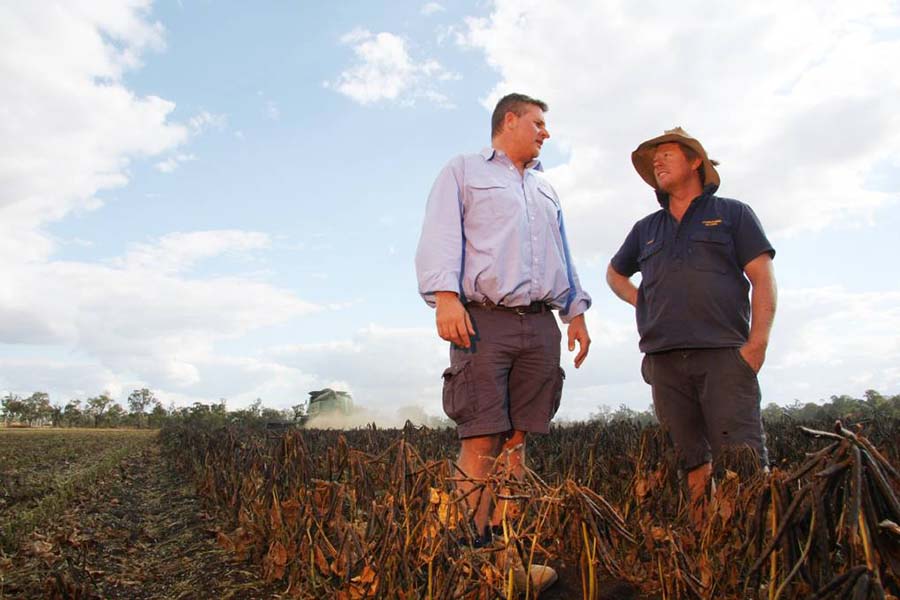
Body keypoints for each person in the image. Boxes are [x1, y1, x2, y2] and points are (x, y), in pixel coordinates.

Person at [415, 93, 591, 592]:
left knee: (517, 444)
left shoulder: (545, 188)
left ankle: (507, 554)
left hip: (540, 325)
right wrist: (446, 297)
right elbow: (441, 234)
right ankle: (471, 559)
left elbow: (563, 253)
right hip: (484, 320)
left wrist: (575, 312)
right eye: (538, 123)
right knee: (482, 437)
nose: (545, 133)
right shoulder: (464, 171)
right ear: (508, 121)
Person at [606, 127, 777, 524]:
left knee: (742, 460)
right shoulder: (646, 229)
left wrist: (757, 346)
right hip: (663, 359)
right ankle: (705, 540)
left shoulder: (733, 214)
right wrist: (642, 301)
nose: (657, 162)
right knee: (689, 459)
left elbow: (763, 279)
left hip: (723, 354)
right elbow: (615, 274)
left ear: (695, 161)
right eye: (653, 160)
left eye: (666, 153)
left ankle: (747, 546)